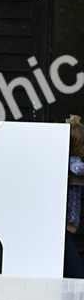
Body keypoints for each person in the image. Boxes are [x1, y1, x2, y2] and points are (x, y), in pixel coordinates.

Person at [63, 116, 84, 278]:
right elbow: (78, 169)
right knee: (76, 273)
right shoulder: (72, 161)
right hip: (66, 224)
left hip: (69, 225)